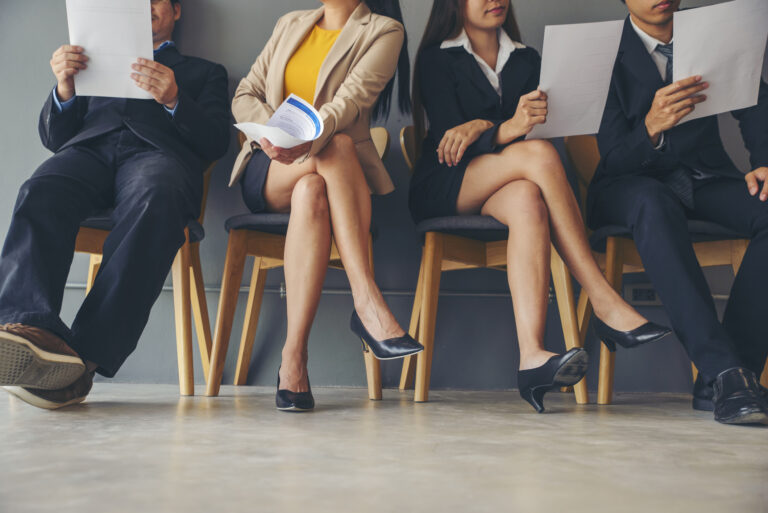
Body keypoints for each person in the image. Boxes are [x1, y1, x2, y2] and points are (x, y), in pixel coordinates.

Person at [408, 0, 671, 413]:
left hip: (507, 182)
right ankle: (601, 296)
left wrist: (489, 127)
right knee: (541, 155)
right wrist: (502, 128)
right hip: (446, 182)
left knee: (530, 198)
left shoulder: (527, 59)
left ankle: (532, 356)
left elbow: (538, 128)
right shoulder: (435, 58)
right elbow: (448, 144)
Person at [0, 0, 230, 409]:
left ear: (176, 11)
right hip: (89, 152)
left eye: (156, 1)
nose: (146, 7)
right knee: (41, 187)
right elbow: (53, 139)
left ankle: (83, 358)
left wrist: (175, 98)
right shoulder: (92, 61)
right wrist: (65, 89)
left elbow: (216, 142)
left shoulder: (204, 72)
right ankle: (25, 325)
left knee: (153, 198)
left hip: (157, 157)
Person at [230, 0, 422, 412]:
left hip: (328, 170)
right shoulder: (290, 24)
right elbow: (246, 92)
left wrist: (308, 139)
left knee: (314, 187)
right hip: (270, 166)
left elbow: (350, 103)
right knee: (333, 148)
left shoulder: (383, 31)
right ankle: (366, 299)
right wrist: (275, 130)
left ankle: (292, 361)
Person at [589, 0, 768, 424]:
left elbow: (757, 104)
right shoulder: (602, 53)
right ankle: (725, 371)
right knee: (654, 202)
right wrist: (650, 126)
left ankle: (727, 376)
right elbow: (612, 157)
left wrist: (764, 160)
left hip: (703, 178)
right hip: (626, 184)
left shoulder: (711, 37)